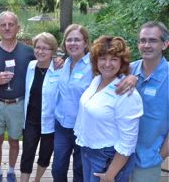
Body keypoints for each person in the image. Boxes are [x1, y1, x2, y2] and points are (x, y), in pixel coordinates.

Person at [74, 36, 143, 182]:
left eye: (113, 59)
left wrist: (110, 175)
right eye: (103, 58)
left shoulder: (126, 93)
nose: (107, 64)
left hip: (107, 159)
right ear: (96, 60)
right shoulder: (97, 80)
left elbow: (128, 141)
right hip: (88, 150)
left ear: (122, 62)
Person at [0, 11, 34, 182]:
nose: (7, 28)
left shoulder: (28, 52)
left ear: (18, 28)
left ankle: (11, 171)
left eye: (11, 24)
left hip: (18, 104)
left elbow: (44, 67)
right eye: (3, 25)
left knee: (13, 141)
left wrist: (58, 61)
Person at [52, 24, 92, 182]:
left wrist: (131, 77)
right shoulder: (65, 62)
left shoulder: (94, 65)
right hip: (62, 125)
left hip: (83, 127)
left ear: (85, 43)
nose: (73, 43)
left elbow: (118, 70)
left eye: (77, 40)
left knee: (79, 169)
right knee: (58, 168)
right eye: (69, 40)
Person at [20, 32, 62, 182]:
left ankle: (37, 179)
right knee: (27, 154)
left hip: (50, 122)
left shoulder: (60, 70)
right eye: (38, 47)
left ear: (53, 51)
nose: (40, 51)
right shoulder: (31, 66)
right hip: (30, 120)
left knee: (45, 155)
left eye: (45, 48)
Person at [130, 22, 169, 182]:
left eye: (152, 40)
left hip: (148, 159)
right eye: (142, 40)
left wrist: (161, 155)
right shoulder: (128, 70)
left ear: (165, 44)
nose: (146, 45)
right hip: (119, 155)